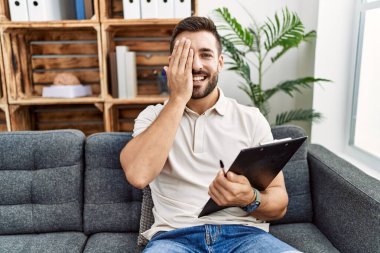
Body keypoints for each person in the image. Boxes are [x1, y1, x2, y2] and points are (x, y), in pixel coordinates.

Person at [120, 16, 300, 253]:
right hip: (173, 239)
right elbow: (138, 175)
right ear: (172, 64)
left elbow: (279, 205)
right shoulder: (152, 117)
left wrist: (248, 198)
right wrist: (177, 99)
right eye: (185, 56)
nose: (195, 66)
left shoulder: (251, 119)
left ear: (220, 62)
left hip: (245, 237)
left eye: (205, 54)